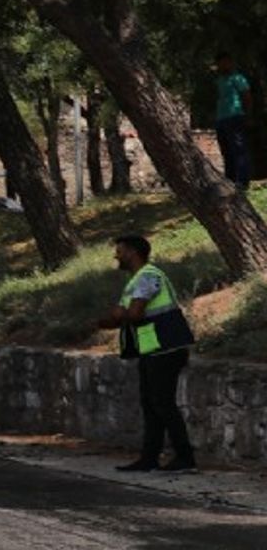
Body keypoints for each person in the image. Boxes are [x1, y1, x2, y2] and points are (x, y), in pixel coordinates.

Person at [97, 235, 197, 473]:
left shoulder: (149, 276)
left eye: (120, 251)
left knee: (163, 404)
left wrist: (119, 315)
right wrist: (116, 317)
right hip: (151, 349)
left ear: (133, 252)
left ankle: (185, 458)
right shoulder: (135, 280)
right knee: (151, 405)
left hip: (167, 348)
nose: (116, 256)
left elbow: (133, 314)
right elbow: (118, 316)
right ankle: (149, 458)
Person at [213, 52, 252, 190]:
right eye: (220, 63)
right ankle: (230, 180)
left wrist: (247, 116)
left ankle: (243, 181)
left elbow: (247, 97)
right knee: (226, 150)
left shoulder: (238, 78)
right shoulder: (219, 80)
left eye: (225, 62)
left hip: (235, 116)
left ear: (230, 62)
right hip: (221, 118)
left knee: (239, 149)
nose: (222, 65)